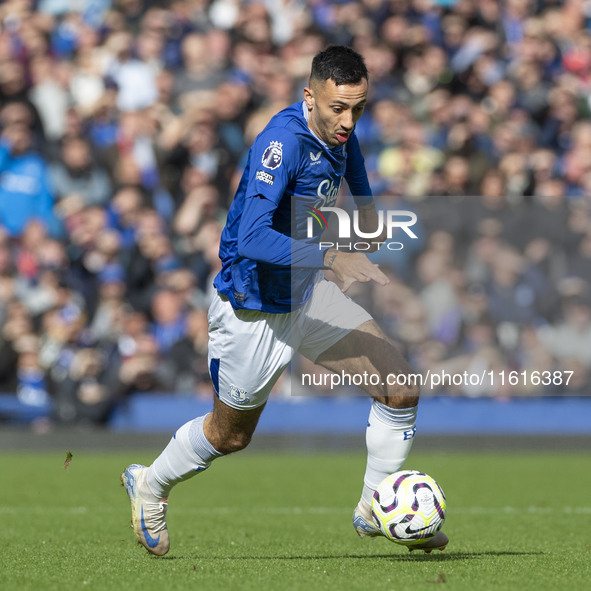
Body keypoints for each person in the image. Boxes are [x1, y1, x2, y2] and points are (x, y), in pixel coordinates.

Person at [121, 45, 448, 556]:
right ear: (309, 96)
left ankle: (372, 508)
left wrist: (367, 231)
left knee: (400, 389)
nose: (349, 121)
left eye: (358, 108)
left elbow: (361, 195)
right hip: (254, 308)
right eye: (338, 108)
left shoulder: (343, 135)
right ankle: (151, 485)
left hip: (308, 295)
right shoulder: (282, 142)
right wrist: (332, 257)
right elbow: (251, 238)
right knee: (229, 437)